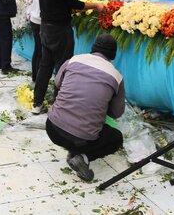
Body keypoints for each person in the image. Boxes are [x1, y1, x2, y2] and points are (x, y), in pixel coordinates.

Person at [32, 0, 104, 114]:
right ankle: (60, 107)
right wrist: (96, 5)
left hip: (45, 29)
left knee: (45, 67)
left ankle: (37, 104)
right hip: (59, 30)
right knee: (62, 68)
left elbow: (58, 1)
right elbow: (74, 4)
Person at [46, 34, 125, 182]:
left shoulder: (73, 60)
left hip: (52, 129)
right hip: (83, 139)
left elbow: (57, 84)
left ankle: (74, 146)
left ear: (93, 48)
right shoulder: (116, 77)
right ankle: (83, 157)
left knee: (75, 126)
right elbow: (116, 113)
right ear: (113, 55)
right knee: (116, 138)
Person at [28, 0, 42, 83]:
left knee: (38, 50)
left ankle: (35, 77)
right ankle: (37, 78)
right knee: (40, 51)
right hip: (39, 19)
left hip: (35, 18)